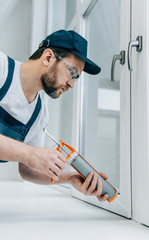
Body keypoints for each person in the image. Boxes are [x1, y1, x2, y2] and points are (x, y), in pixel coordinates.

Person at [0, 29, 108, 202]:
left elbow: (27, 171)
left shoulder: (39, 114)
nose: (71, 84)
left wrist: (69, 178)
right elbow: (30, 158)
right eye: (71, 72)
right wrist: (32, 155)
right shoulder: (2, 69)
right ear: (48, 57)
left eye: (76, 78)